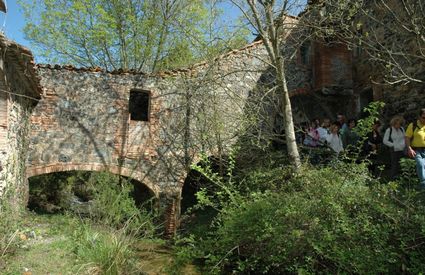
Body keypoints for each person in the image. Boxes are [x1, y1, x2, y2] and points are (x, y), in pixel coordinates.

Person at [405, 108, 425, 188]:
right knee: (420, 164)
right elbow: (407, 137)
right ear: (419, 117)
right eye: (424, 117)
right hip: (416, 150)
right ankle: (423, 185)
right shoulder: (413, 125)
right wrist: (409, 148)